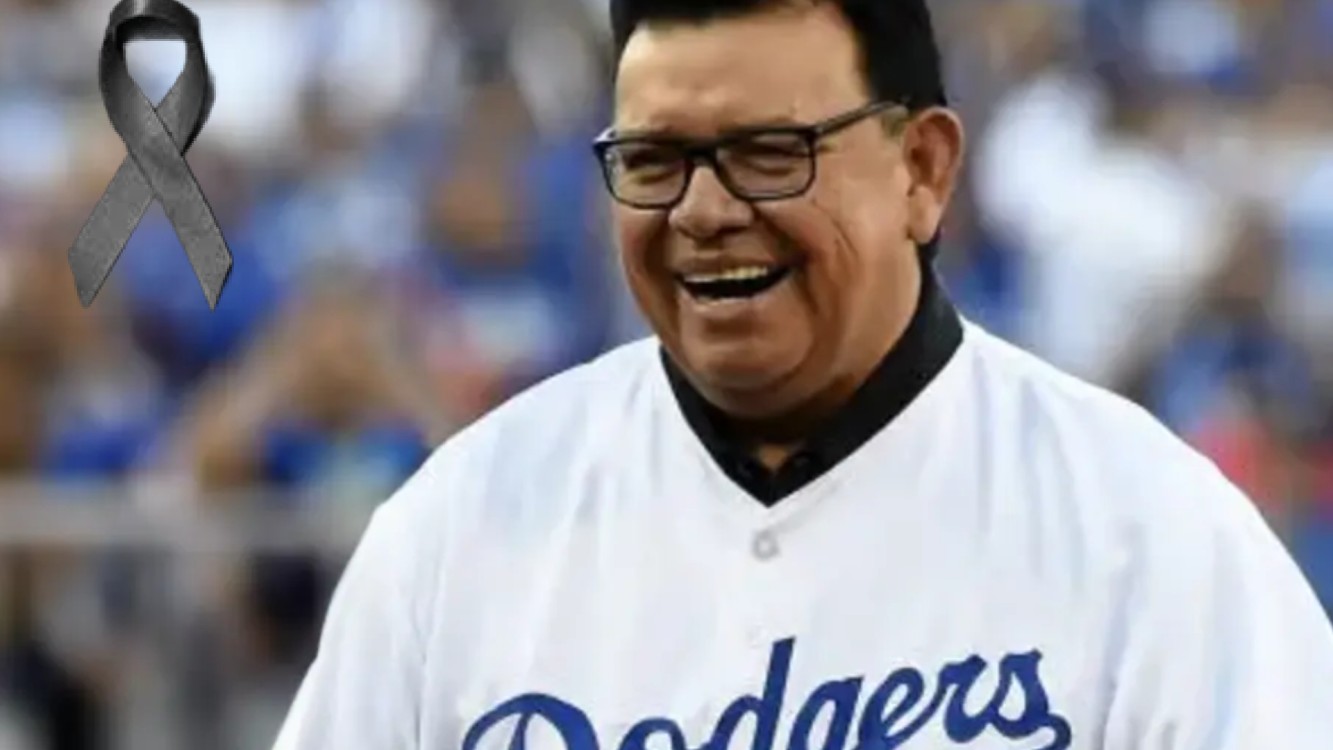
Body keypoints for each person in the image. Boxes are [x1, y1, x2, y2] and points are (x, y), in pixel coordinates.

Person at [272, 1, 1333, 748]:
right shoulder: (458, 529)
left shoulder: (1146, 529)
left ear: (922, 171)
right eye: (654, 161)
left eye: (769, 153)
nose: (702, 210)